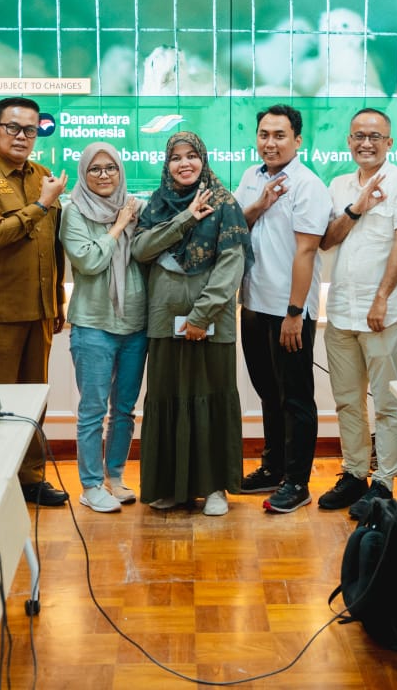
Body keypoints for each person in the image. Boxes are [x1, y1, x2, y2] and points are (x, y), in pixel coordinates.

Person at [0, 96, 71, 507]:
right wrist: (42, 203)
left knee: (34, 399)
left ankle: (30, 478)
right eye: (13, 128)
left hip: (40, 308)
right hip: (0, 311)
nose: (23, 136)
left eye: (31, 129)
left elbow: (52, 245)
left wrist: (57, 298)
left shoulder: (42, 174)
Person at [131, 131, 250, 516]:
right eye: (175, 158)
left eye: (191, 156)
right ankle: (172, 487)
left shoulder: (225, 204)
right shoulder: (158, 204)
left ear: (203, 159)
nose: (184, 163)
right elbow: (140, 249)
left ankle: (214, 487)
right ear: (167, 165)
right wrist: (184, 219)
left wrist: (201, 316)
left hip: (212, 326)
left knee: (210, 399)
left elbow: (231, 267)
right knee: (169, 399)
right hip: (164, 323)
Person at [319, 108, 397, 520]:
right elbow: (328, 240)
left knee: (386, 403)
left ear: (389, 142)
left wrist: (381, 297)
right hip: (341, 311)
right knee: (346, 400)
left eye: (375, 136)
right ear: (349, 140)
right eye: (359, 135)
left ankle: (383, 482)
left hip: (384, 311)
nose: (366, 142)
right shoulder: (338, 185)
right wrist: (356, 208)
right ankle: (354, 474)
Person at [233, 105, 327, 514]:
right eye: (264, 134)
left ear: (297, 140)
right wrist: (260, 204)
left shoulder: (308, 185)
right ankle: (272, 468)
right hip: (252, 304)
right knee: (268, 394)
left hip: (288, 313)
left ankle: (297, 481)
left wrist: (294, 312)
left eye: (279, 135)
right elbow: (235, 224)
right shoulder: (251, 178)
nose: (270, 142)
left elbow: (306, 251)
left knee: (296, 398)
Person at [60, 143, 147, 513]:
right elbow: (90, 260)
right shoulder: (74, 211)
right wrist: (119, 226)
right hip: (93, 324)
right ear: (84, 173)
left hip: (136, 323)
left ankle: (115, 477)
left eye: (111, 167)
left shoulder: (139, 206)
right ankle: (91, 485)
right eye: (95, 169)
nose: (104, 175)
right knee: (93, 410)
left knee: (125, 409)